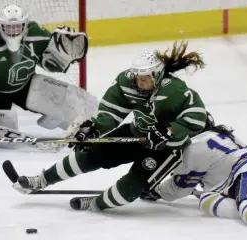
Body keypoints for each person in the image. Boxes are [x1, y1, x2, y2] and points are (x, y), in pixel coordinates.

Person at [14, 40, 210, 211]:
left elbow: (198, 116)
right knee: (91, 153)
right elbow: (110, 112)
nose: (139, 83)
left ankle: (97, 204)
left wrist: (169, 131)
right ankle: (41, 180)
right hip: (137, 133)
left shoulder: (174, 90)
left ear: (157, 75)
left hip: (166, 148)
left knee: (131, 186)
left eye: (145, 78)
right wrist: (95, 130)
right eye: (137, 77)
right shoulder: (127, 82)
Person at [0, 4, 96, 151]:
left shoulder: (37, 34)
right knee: (1, 132)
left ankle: (92, 127)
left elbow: (50, 65)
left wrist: (64, 54)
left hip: (26, 86)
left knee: (71, 104)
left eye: (18, 27)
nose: (13, 32)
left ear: (26, 25)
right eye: (8, 27)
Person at [140, 117, 247, 226]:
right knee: (207, 201)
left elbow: (179, 188)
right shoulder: (218, 134)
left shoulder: (195, 147)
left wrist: (155, 191)